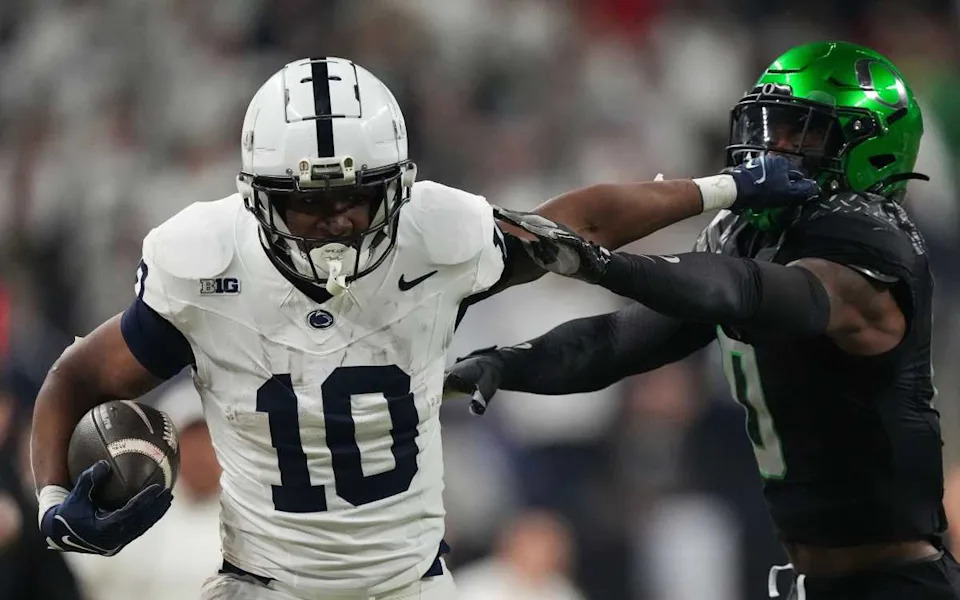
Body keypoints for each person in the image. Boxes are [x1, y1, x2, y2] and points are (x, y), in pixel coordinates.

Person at [29, 57, 813, 600]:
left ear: (400, 188)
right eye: (307, 203)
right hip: (260, 583)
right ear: (258, 195)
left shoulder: (440, 236)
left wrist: (724, 187)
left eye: (357, 199)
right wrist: (54, 498)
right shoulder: (203, 261)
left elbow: (581, 222)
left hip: (412, 582)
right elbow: (76, 377)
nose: (336, 223)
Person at [446, 41, 960, 599]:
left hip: (896, 584)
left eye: (801, 133)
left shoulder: (874, 239)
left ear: (873, 148)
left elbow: (751, 291)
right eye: (770, 126)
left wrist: (604, 264)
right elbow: (623, 339)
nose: (774, 147)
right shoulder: (750, 233)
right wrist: (505, 363)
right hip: (814, 581)